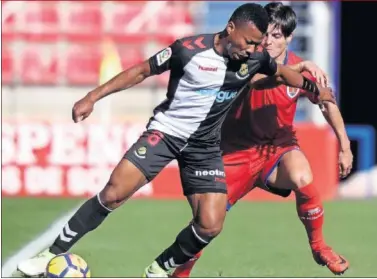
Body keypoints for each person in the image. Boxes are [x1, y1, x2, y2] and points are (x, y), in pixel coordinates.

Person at [16, 3, 335, 278]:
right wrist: (92, 96)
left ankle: (159, 269)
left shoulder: (254, 58)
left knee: (210, 224)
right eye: (250, 42)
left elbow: (282, 74)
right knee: (113, 194)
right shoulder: (189, 49)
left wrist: (312, 87)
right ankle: (49, 254)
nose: (253, 50)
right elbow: (141, 71)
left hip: (204, 147)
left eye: (257, 45)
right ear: (230, 27)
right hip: (166, 134)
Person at [172, 2, 352, 277]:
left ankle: (319, 246)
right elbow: (255, 80)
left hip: (277, 149)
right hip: (235, 152)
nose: (268, 41)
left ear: (289, 38)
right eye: (266, 33)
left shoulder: (299, 68)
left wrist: (345, 145)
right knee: (206, 222)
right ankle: (178, 272)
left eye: (277, 36)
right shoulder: (243, 57)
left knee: (302, 176)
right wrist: (300, 70)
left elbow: (327, 103)